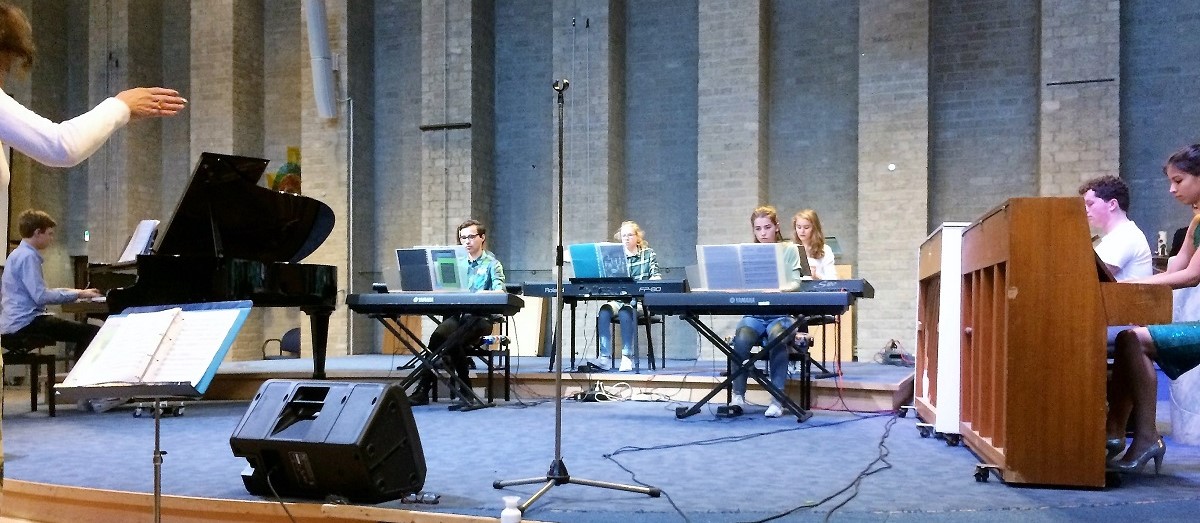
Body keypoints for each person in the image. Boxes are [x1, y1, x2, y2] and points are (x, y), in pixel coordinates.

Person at [1107, 144, 1200, 473]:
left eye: (1179, 180)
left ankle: (1139, 436)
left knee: (1134, 339)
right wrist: (1134, 281)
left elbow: (1191, 277)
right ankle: (1115, 432)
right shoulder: (1197, 220)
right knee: (1128, 338)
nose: (1172, 189)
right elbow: (1176, 267)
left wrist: (1126, 286)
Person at [408, 219, 506, 408]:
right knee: (437, 337)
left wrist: (479, 294)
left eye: (471, 236)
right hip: (457, 316)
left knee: (452, 340)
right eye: (463, 238)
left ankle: (461, 391)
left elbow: (500, 291)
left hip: (480, 319)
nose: (467, 241)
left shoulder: (492, 264)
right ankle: (427, 391)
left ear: (482, 237)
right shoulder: (456, 264)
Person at [730, 206, 804, 418]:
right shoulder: (749, 252)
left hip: (780, 315)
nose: (763, 233)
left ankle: (777, 399)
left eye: (767, 227)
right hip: (754, 315)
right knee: (742, 338)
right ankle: (738, 395)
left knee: (777, 337)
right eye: (758, 228)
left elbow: (796, 282)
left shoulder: (789, 249)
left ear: (777, 227)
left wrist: (780, 289)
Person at [0, 209, 101, 358]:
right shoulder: (28, 257)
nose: (51, 238)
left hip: (13, 322)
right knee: (93, 332)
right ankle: (80, 372)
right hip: (25, 323)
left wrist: (77, 292)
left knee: (85, 332)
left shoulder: (17, 254)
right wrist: (79, 294)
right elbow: (41, 297)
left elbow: (40, 292)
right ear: (37, 232)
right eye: (49, 234)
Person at [593, 221, 660, 372]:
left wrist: (648, 284)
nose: (627, 238)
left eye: (630, 235)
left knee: (625, 312)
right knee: (604, 311)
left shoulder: (648, 254)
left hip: (640, 301)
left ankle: (626, 357)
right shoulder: (616, 257)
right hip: (619, 299)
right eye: (624, 236)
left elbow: (656, 276)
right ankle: (604, 357)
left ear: (637, 237)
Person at [1078, 175, 1153, 281]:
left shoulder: (1126, 235)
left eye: (1090, 204)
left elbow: (1088, 276)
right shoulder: (1119, 235)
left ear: (1112, 204)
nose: (1085, 209)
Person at [791, 209, 837, 280]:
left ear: (814, 228)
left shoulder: (825, 250)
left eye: (806, 227)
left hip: (817, 286)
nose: (802, 231)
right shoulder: (791, 249)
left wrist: (816, 276)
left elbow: (832, 280)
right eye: (799, 227)